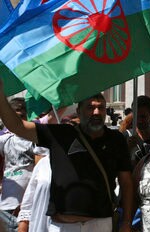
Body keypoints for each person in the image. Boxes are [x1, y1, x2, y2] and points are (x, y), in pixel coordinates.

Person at [0, 81, 134, 232]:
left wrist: (126, 222)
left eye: (100, 107)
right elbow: (18, 127)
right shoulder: (61, 134)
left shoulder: (116, 139)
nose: (96, 112)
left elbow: (126, 183)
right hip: (62, 226)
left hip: (100, 224)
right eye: (90, 107)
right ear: (79, 111)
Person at [0, 98, 40, 232]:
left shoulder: (38, 140)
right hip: (5, 209)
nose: (21, 113)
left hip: (30, 210)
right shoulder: (5, 140)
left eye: (24, 110)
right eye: (16, 110)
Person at [123, 96, 150, 168]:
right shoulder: (126, 136)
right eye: (136, 116)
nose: (139, 121)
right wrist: (127, 149)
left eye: (143, 117)